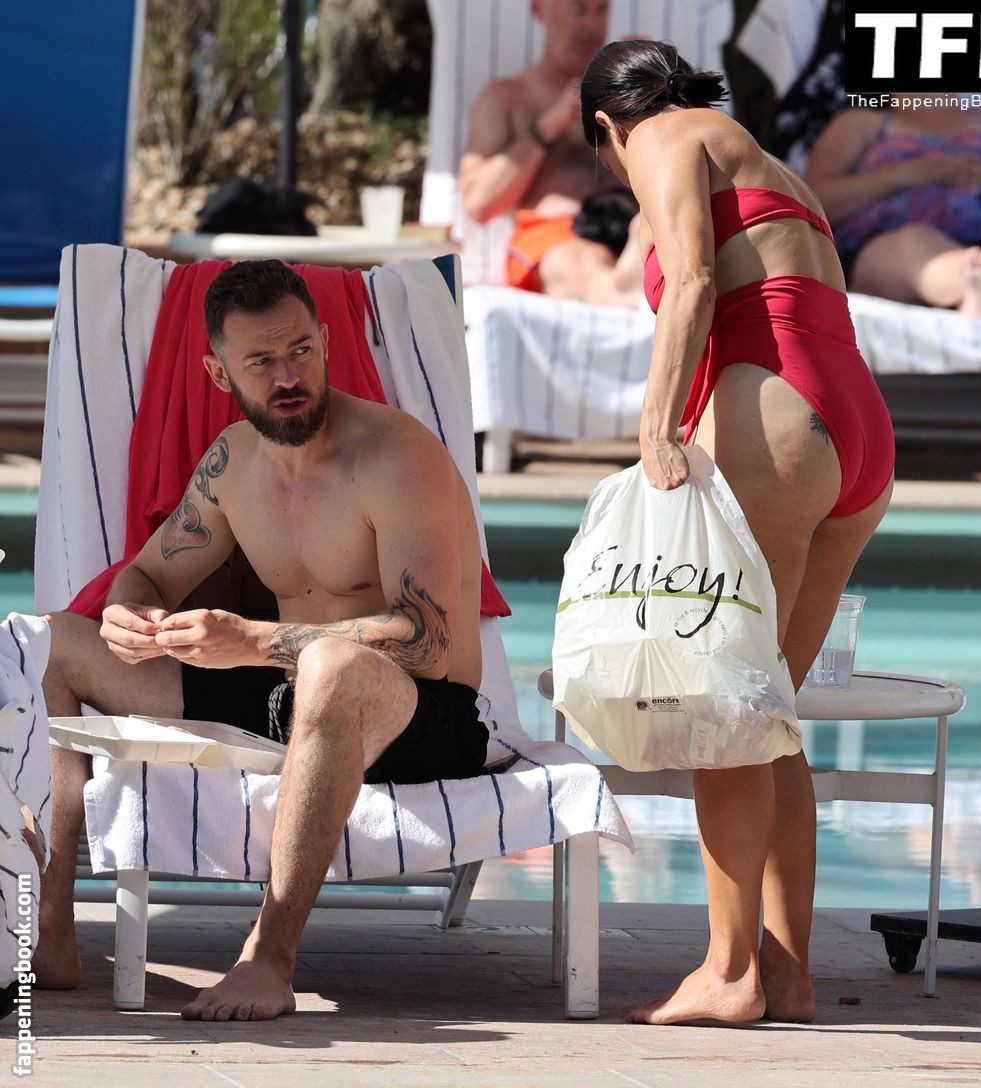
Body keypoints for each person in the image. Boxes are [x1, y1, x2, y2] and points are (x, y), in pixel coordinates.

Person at [32, 260, 490, 1021]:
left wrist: (253, 639)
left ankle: (269, 957)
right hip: (288, 696)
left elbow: (427, 642)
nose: (288, 376)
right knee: (47, 641)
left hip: (421, 714)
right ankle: (50, 928)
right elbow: (149, 573)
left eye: (301, 350)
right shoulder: (232, 463)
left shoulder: (395, 457)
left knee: (333, 666)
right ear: (219, 373)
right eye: (261, 361)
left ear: (326, 341)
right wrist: (128, 613)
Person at [580, 40, 896, 1025]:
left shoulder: (666, 137)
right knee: (769, 717)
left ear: (607, 126)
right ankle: (787, 973)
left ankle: (727, 972)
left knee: (724, 718)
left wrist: (653, 431)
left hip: (775, 420)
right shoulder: (762, 157)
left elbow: (690, 283)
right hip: (853, 423)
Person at [458, 0, 643, 306]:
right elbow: (479, 203)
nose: (593, 25)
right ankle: (620, 294)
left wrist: (651, 95)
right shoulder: (508, 97)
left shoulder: (625, 92)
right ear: (539, 9)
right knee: (582, 262)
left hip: (636, 223)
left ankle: (628, 284)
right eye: (578, 10)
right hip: (555, 236)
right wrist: (551, 123)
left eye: (602, 10)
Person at [804, 102, 981, 317]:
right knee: (912, 246)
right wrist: (899, 175)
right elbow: (809, 203)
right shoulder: (860, 124)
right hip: (892, 243)